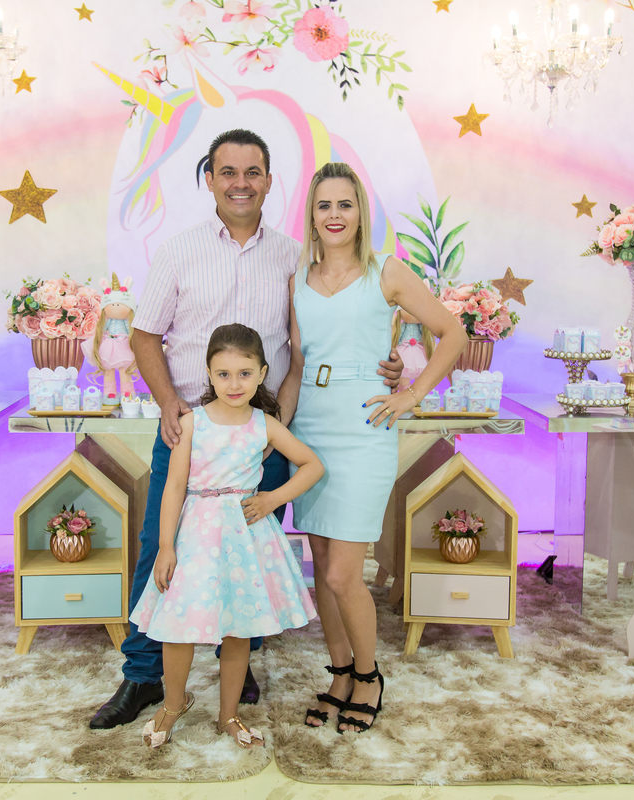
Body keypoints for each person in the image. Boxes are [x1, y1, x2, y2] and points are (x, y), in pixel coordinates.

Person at [89, 129, 404, 729]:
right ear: (209, 179)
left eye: (252, 172)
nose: (240, 183)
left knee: (248, 556)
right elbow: (144, 335)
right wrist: (167, 404)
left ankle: (239, 662)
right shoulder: (179, 251)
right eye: (228, 172)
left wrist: (383, 366)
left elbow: (321, 337)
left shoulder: (294, 259)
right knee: (161, 548)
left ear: (268, 181)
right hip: (190, 433)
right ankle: (143, 676)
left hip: (262, 439)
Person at [280, 161, 468, 734]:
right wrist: (275, 434)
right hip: (311, 426)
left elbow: (453, 333)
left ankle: (369, 675)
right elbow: (296, 367)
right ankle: (339, 673)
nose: (335, 215)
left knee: (344, 573)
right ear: (311, 216)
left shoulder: (386, 271)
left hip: (364, 426)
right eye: (324, 205)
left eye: (345, 204)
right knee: (320, 566)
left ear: (361, 212)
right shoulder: (296, 278)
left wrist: (410, 393)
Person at [132, 324, 322, 748]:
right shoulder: (191, 423)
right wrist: (165, 546)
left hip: (244, 538)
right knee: (178, 624)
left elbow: (312, 465)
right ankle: (172, 705)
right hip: (195, 535)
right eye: (223, 374)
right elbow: (174, 486)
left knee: (239, 627)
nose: (234, 384)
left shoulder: (264, 424)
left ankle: (228, 715)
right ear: (208, 373)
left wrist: (273, 498)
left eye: (244, 374)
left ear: (262, 373)